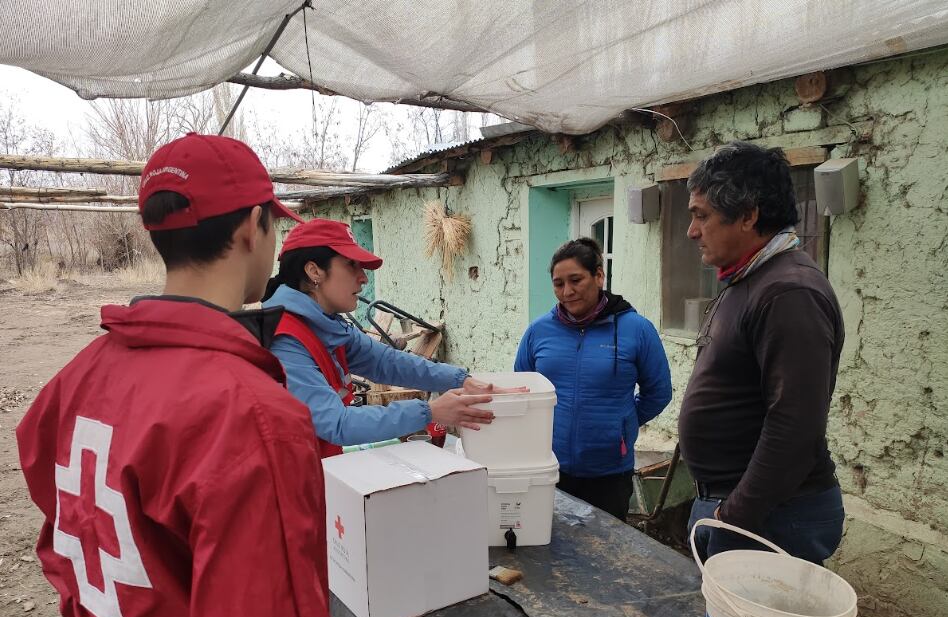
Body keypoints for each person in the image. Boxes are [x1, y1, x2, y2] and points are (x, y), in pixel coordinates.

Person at [16, 133, 339, 617]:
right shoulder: (253, 416)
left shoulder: (74, 380)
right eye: (274, 226)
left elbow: (62, 544)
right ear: (251, 228)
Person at [680, 141, 845, 565]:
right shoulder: (751, 279)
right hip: (745, 508)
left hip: (769, 515)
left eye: (702, 215)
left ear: (749, 215)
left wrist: (733, 516)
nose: (691, 231)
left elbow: (794, 424)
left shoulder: (788, 292)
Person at [262, 218, 516, 454]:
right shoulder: (285, 340)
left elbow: (388, 362)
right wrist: (430, 411)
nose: (363, 278)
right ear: (314, 271)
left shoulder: (329, 326)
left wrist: (460, 380)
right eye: (352, 265)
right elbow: (337, 424)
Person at [514, 238, 672, 520]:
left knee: (606, 555)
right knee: (549, 548)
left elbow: (658, 392)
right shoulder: (538, 332)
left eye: (576, 280)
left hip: (609, 473)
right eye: (558, 283)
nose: (567, 291)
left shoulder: (636, 330)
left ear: (599, 276)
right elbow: (522, 392)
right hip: (549, 466)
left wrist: (622, 424)